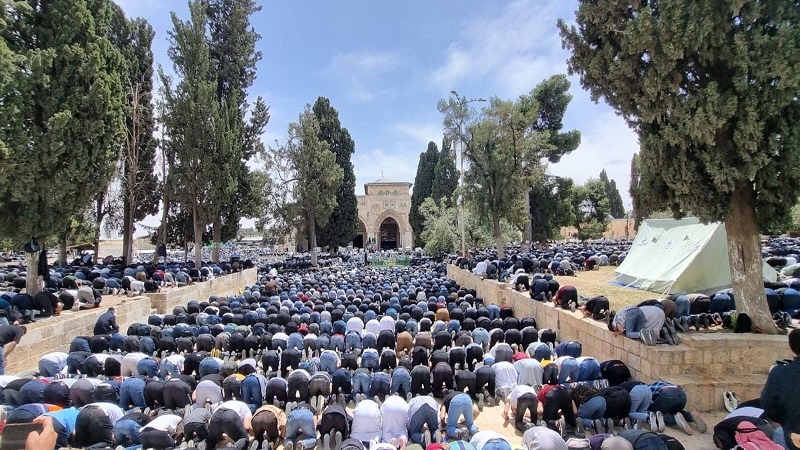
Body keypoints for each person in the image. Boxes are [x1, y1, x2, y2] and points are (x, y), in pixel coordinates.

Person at [761, 328, 800, 449]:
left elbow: (768, 405)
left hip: (793, 436)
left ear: (792, 348)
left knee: (778, 434)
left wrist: (785, 421)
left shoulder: (779, 373)